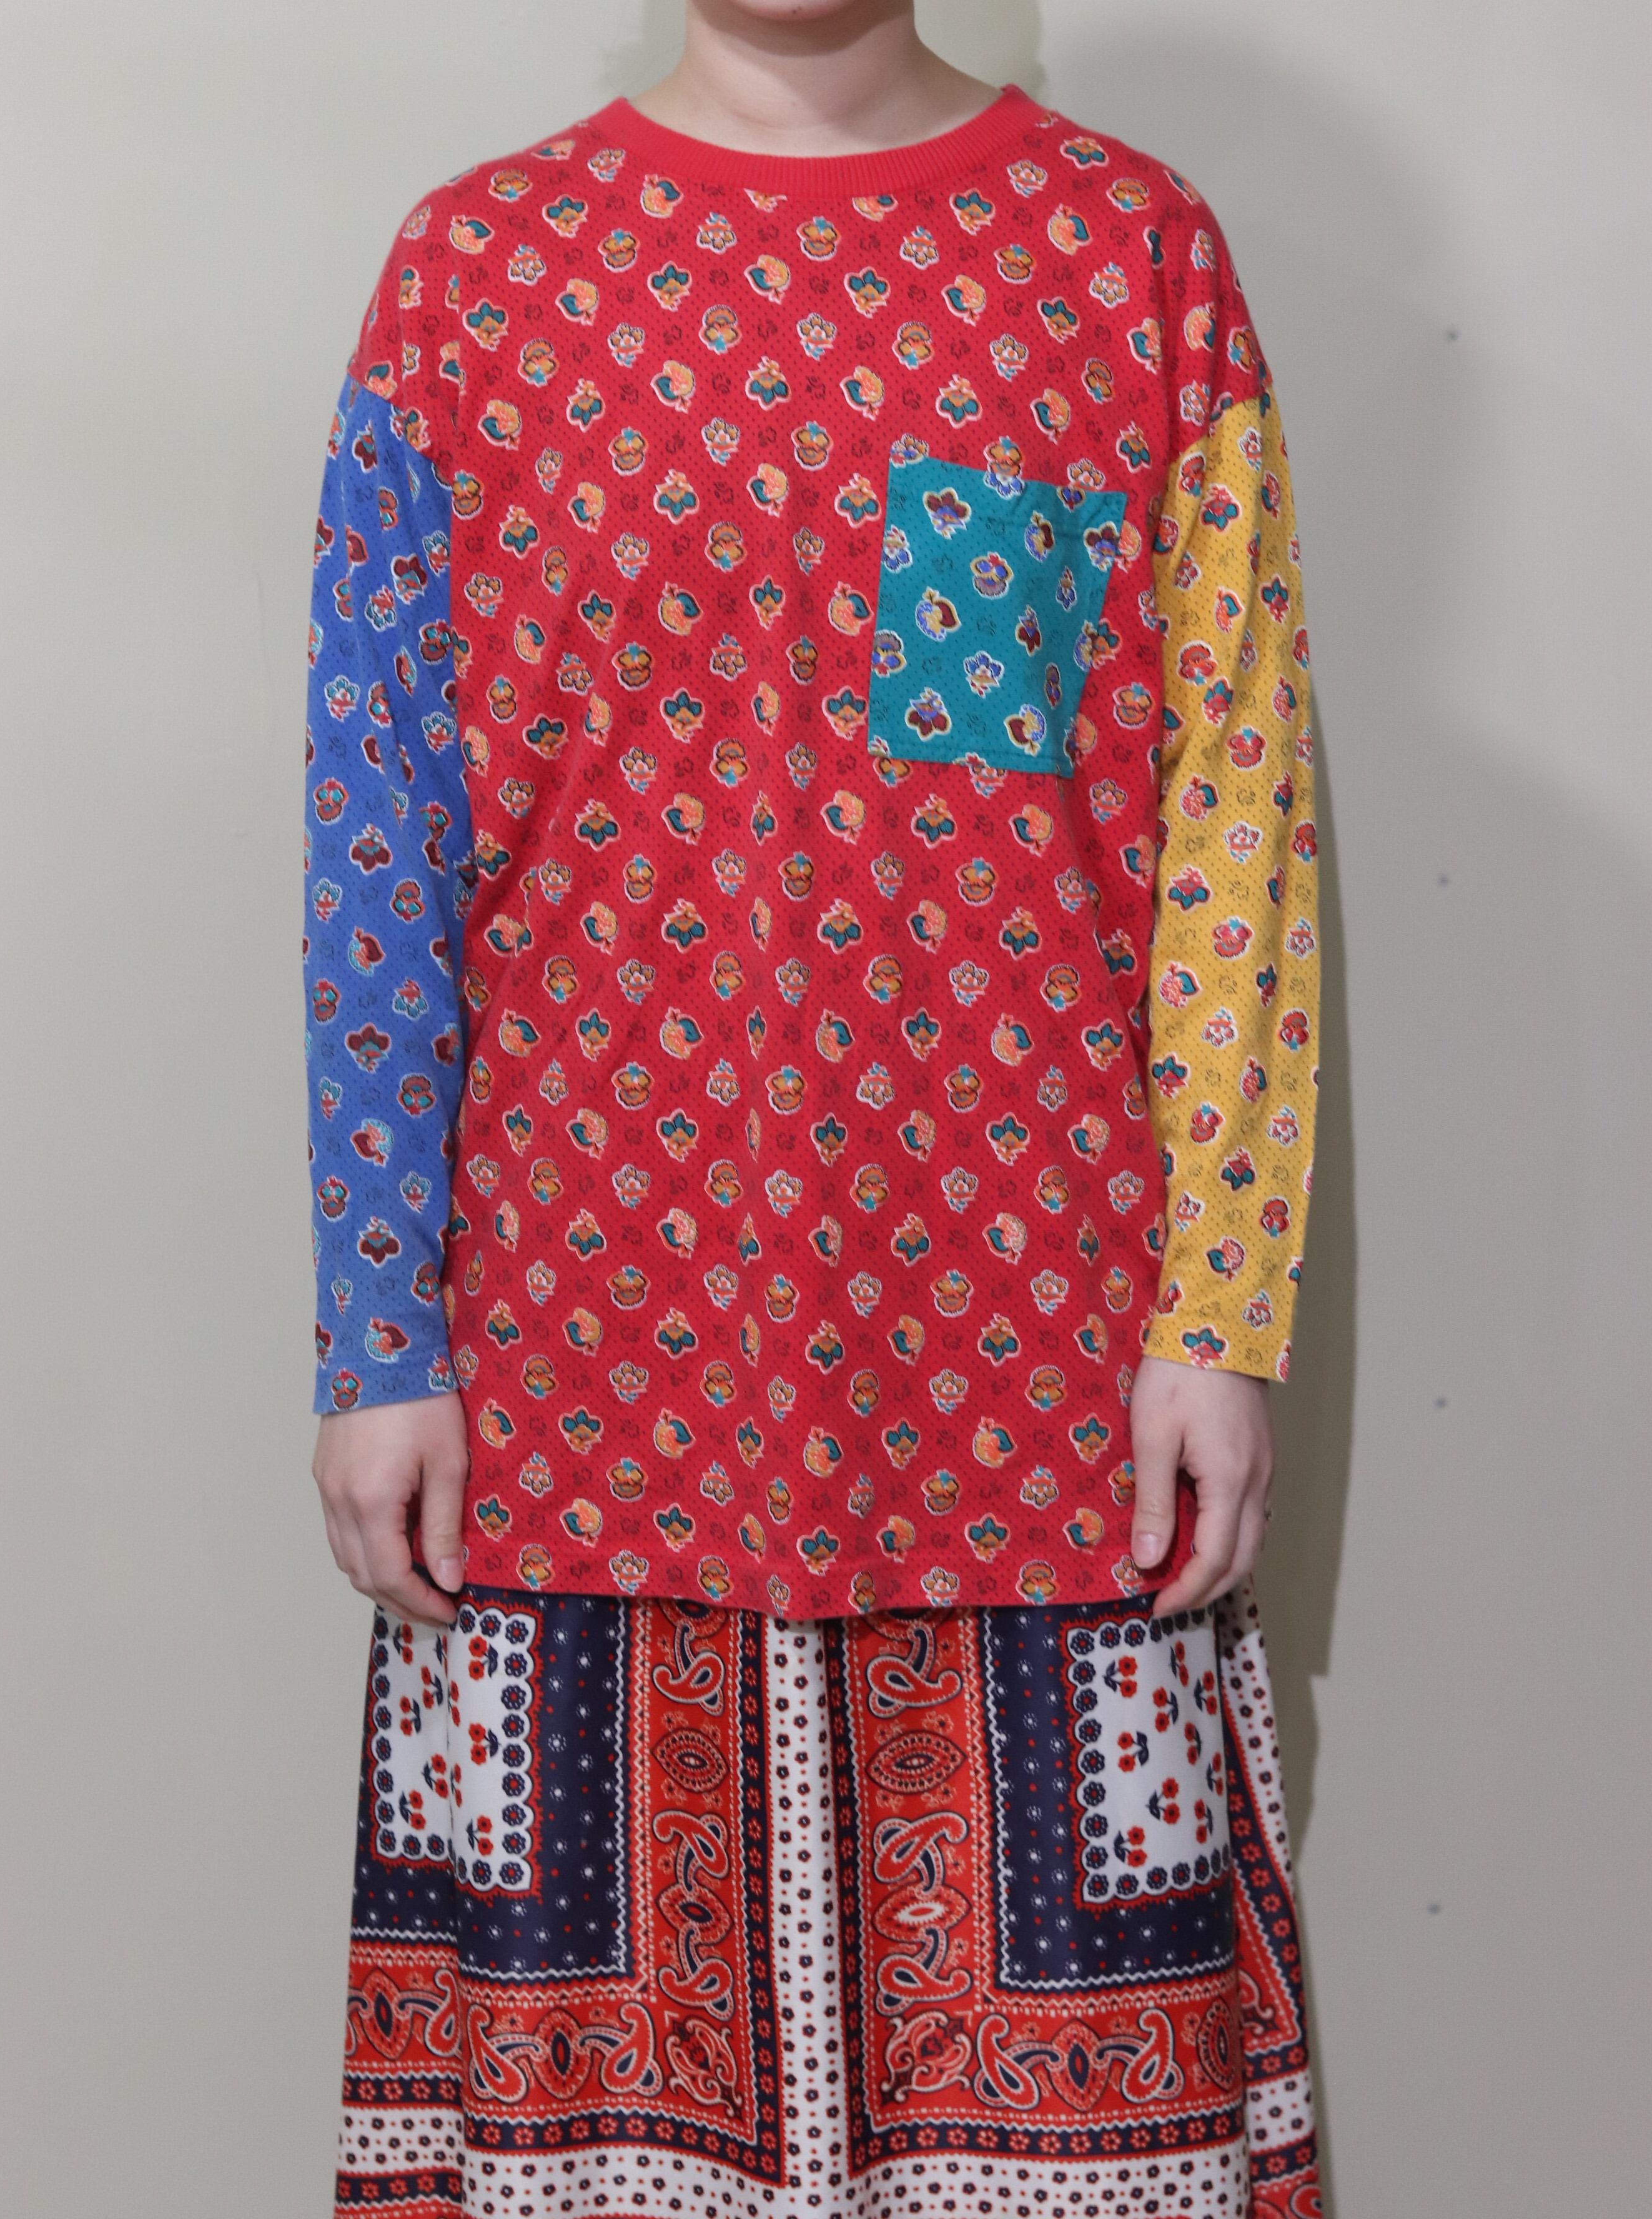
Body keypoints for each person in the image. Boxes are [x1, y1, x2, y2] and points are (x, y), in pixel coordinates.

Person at [302, 6, 1322, 2213]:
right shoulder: (473, 277)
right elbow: (381, 838)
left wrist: (1222, 1306)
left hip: (1042, 1409)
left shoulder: (1129, 259)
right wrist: (379, 1337)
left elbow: (1234, 825)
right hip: (577, 1412)